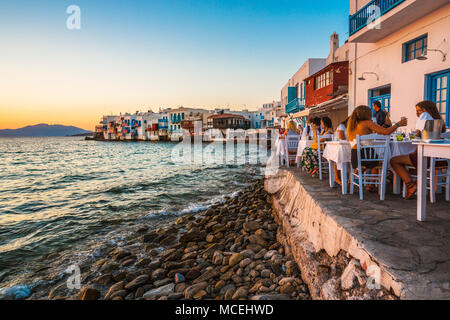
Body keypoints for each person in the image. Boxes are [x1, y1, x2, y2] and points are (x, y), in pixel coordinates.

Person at [390, 101, 446, 200]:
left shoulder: (426, 122)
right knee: (410, 158)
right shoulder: (440, 123)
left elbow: (420, 143)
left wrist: (413, 152)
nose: (417, 114)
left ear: (427, 111)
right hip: (441, 159)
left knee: (394, 160)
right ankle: (416, 183)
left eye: (419, 111)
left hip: (427, 158)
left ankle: (411, 186)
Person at [347, 105, 408, 191]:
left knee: (377, 156)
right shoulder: (367, 123)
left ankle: (362, 182)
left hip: (355, 158)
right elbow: (386, 132)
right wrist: (398, 124)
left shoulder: (354, 125)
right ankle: (393, 183)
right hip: (366, 157)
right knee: (388, 161)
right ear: (367, 113)